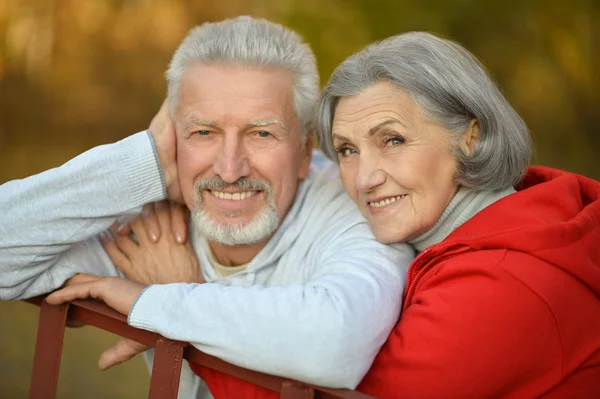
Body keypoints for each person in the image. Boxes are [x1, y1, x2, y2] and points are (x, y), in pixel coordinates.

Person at [155, 32, 600, 398]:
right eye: (348, 150)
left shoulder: (504, 282)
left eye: (392, 140)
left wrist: (181, 295)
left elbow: (325, 393)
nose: (364, 178)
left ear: (470, 136)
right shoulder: (505, 221)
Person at [0, 17, 413, 398]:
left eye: (261, 133)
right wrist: (143, 165)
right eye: (203, 131)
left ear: (306, 150)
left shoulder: (359, 208)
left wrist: (165, 298)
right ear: (171, 138)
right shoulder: (155, 224)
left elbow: (334, 346)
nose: (230, 169)